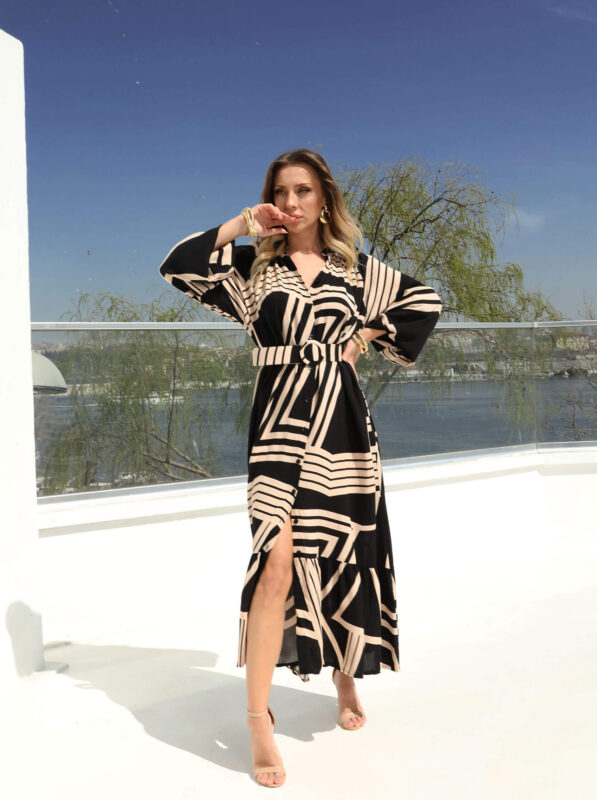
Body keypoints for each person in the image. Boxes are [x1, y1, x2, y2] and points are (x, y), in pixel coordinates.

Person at [157, 148, 442, 788]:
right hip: (279, 426)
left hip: (343, 428)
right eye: (280, 191)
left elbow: (424, 301)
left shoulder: (355, 271)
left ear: (324, 198)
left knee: (342, 552)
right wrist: (242, 224)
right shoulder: (252, 268)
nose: (290, 202)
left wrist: (364, 337)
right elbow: (178, 264)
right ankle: (258, 718)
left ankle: (345, 677)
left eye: (303, 190)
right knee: (276, 562)